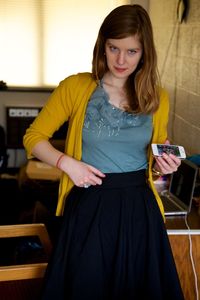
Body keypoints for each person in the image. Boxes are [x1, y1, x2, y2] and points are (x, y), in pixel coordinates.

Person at [23, 4, 184, 300]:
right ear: (103, 46)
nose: (121, 60)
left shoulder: (157, 97)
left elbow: (156, 158)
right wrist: (67, 163)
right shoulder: (76, 87)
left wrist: (164, 166)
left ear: (144, 52)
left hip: (140, 209)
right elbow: (33, 137)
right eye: (114, 48)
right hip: (90, 202)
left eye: (131, 51)